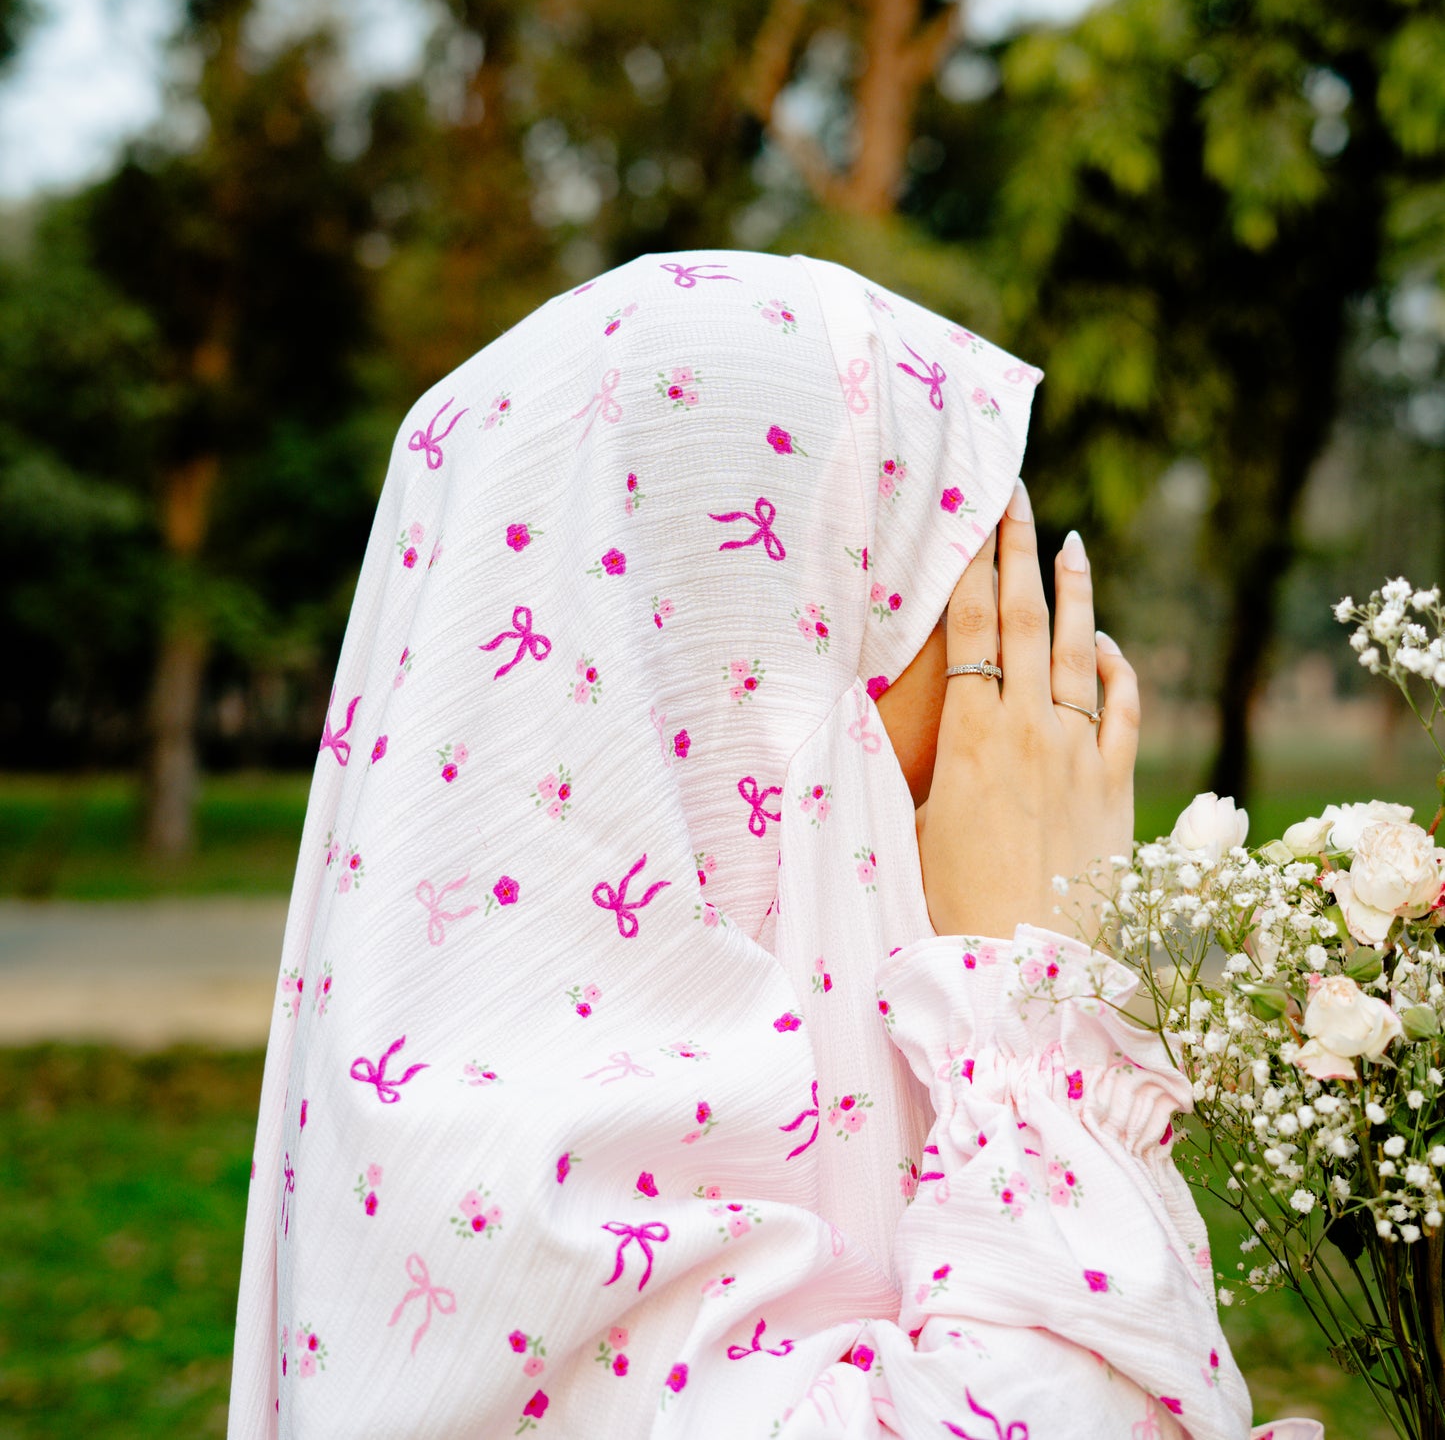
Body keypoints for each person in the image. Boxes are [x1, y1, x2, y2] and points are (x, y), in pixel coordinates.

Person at [227, 250, 1314, 1438]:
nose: (1006, 717)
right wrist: (1030, 1010)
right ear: (730, 671)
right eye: (964, 616)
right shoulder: (500, 1198)